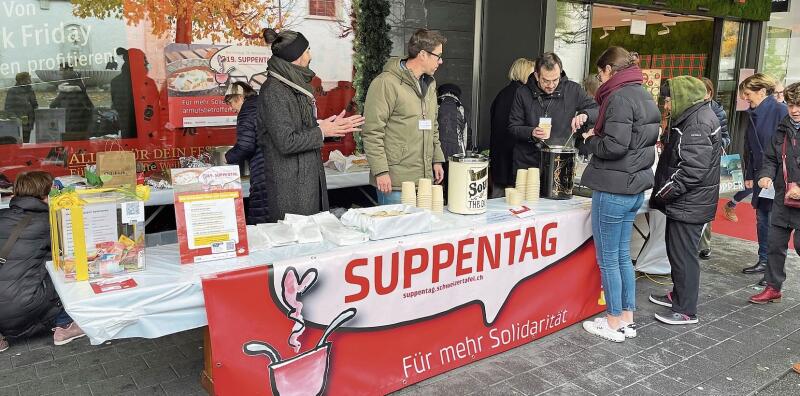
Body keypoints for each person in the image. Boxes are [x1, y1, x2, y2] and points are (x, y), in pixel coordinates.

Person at [579, 47, 659, 342]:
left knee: (609, 259)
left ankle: (612, 322)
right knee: (623, 256)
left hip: (614, 188)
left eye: (600, 73)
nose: (599, 80)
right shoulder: (642, 93)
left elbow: (614, 145)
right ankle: (626, 318)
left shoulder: (619, 97)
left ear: (609, 70)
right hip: (634, 187)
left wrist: (590, 140)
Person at [259, 28, 363, 222]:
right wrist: (321, 131)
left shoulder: (292, 85)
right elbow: (286, 141)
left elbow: (296, 126)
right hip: (292, 190)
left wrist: (325, 125)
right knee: (298, 246)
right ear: (296, 56)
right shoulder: (274, 90)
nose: (310, 55)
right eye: (307, 50)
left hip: (305, 182)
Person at [649, 76, 721, 326]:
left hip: (690, 203)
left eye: (668, 100)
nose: (666, 105)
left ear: (682, 97)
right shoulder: (696, 116)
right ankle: (678, 296)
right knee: (677, 252)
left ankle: (686, 310)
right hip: (689, 202)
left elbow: (692, 169)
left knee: (684, 256)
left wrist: (664, 192)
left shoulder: (698, 122)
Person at [0, 171, 85, 352]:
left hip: (5, 305)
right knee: (70, 268)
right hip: (23, 306)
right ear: (46, 195)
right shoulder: (48, 221)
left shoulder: (3, 216)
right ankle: (65, 325)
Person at [362, 29, 448, 204]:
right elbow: (372, 132)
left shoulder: (430, 84)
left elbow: (433, 126)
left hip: (424, 181)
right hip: (394, 183)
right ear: (423, 54)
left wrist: (437, 160)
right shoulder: (385, 83)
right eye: (438, 56)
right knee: (396, 231)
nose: (441, 61)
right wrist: (381, 171)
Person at [749, 82, 800, 304]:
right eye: (791, 105)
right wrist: (766, 175)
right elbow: (770, 157)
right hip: (782, 196)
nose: (795, 110)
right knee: (775, 244)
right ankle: (773, 287)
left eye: (799, 105)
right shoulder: (783, 126)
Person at [508, 52, 597, 174]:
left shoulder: (573, 90)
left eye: (555, 80)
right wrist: (531, 132)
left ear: (560, 73)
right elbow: (513, 128)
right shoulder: (522, 92)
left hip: (559, 164)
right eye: (545, 80)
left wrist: (586, 114)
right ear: (536, 75)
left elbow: (598, 110)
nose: (551, 85)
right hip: (526, 164)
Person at [738, 74, 788, 277]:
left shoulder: (780, 110)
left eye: (748, 94)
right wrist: (749, 173)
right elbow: (751, 146)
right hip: (761, 175)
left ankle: (771, 266)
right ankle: (764, 259)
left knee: (772, 220)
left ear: (761, 91)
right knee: (762, 217)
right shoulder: (754, 112)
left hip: (776, 177)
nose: (745, 98)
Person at [224, 82, 268, 225]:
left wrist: (227, 157)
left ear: (239, 97)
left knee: (261, 219)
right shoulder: (265, 103)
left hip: (263, 172)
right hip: (280, 170)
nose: (231, 109)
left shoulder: (247, 110)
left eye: (231, 103)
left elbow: (245, 146)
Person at [489, 58, 535, 197]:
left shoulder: (502, 94)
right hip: (514, 159)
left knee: (497, 200)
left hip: (499, 157)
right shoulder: (521, 95)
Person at [696, 77, 731, 260]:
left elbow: (726, 138)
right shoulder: (689, 109)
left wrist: (711, 143)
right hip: (694, 162)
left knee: (705, 205)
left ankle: (705, 244)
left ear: (709, 93)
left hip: (711, 164)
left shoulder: (717, 112)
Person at [3, 72, 38, 143]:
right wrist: (16, 119)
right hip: (18, 123)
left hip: (29, 122)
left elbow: (35, 105)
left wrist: (36, 114)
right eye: (28, 79)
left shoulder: (30, 90)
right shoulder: (12, 91)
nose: (30, 81)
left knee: (26, 142)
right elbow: (8, 108)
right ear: (21, 81)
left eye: (29, 79)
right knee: (18, 143)